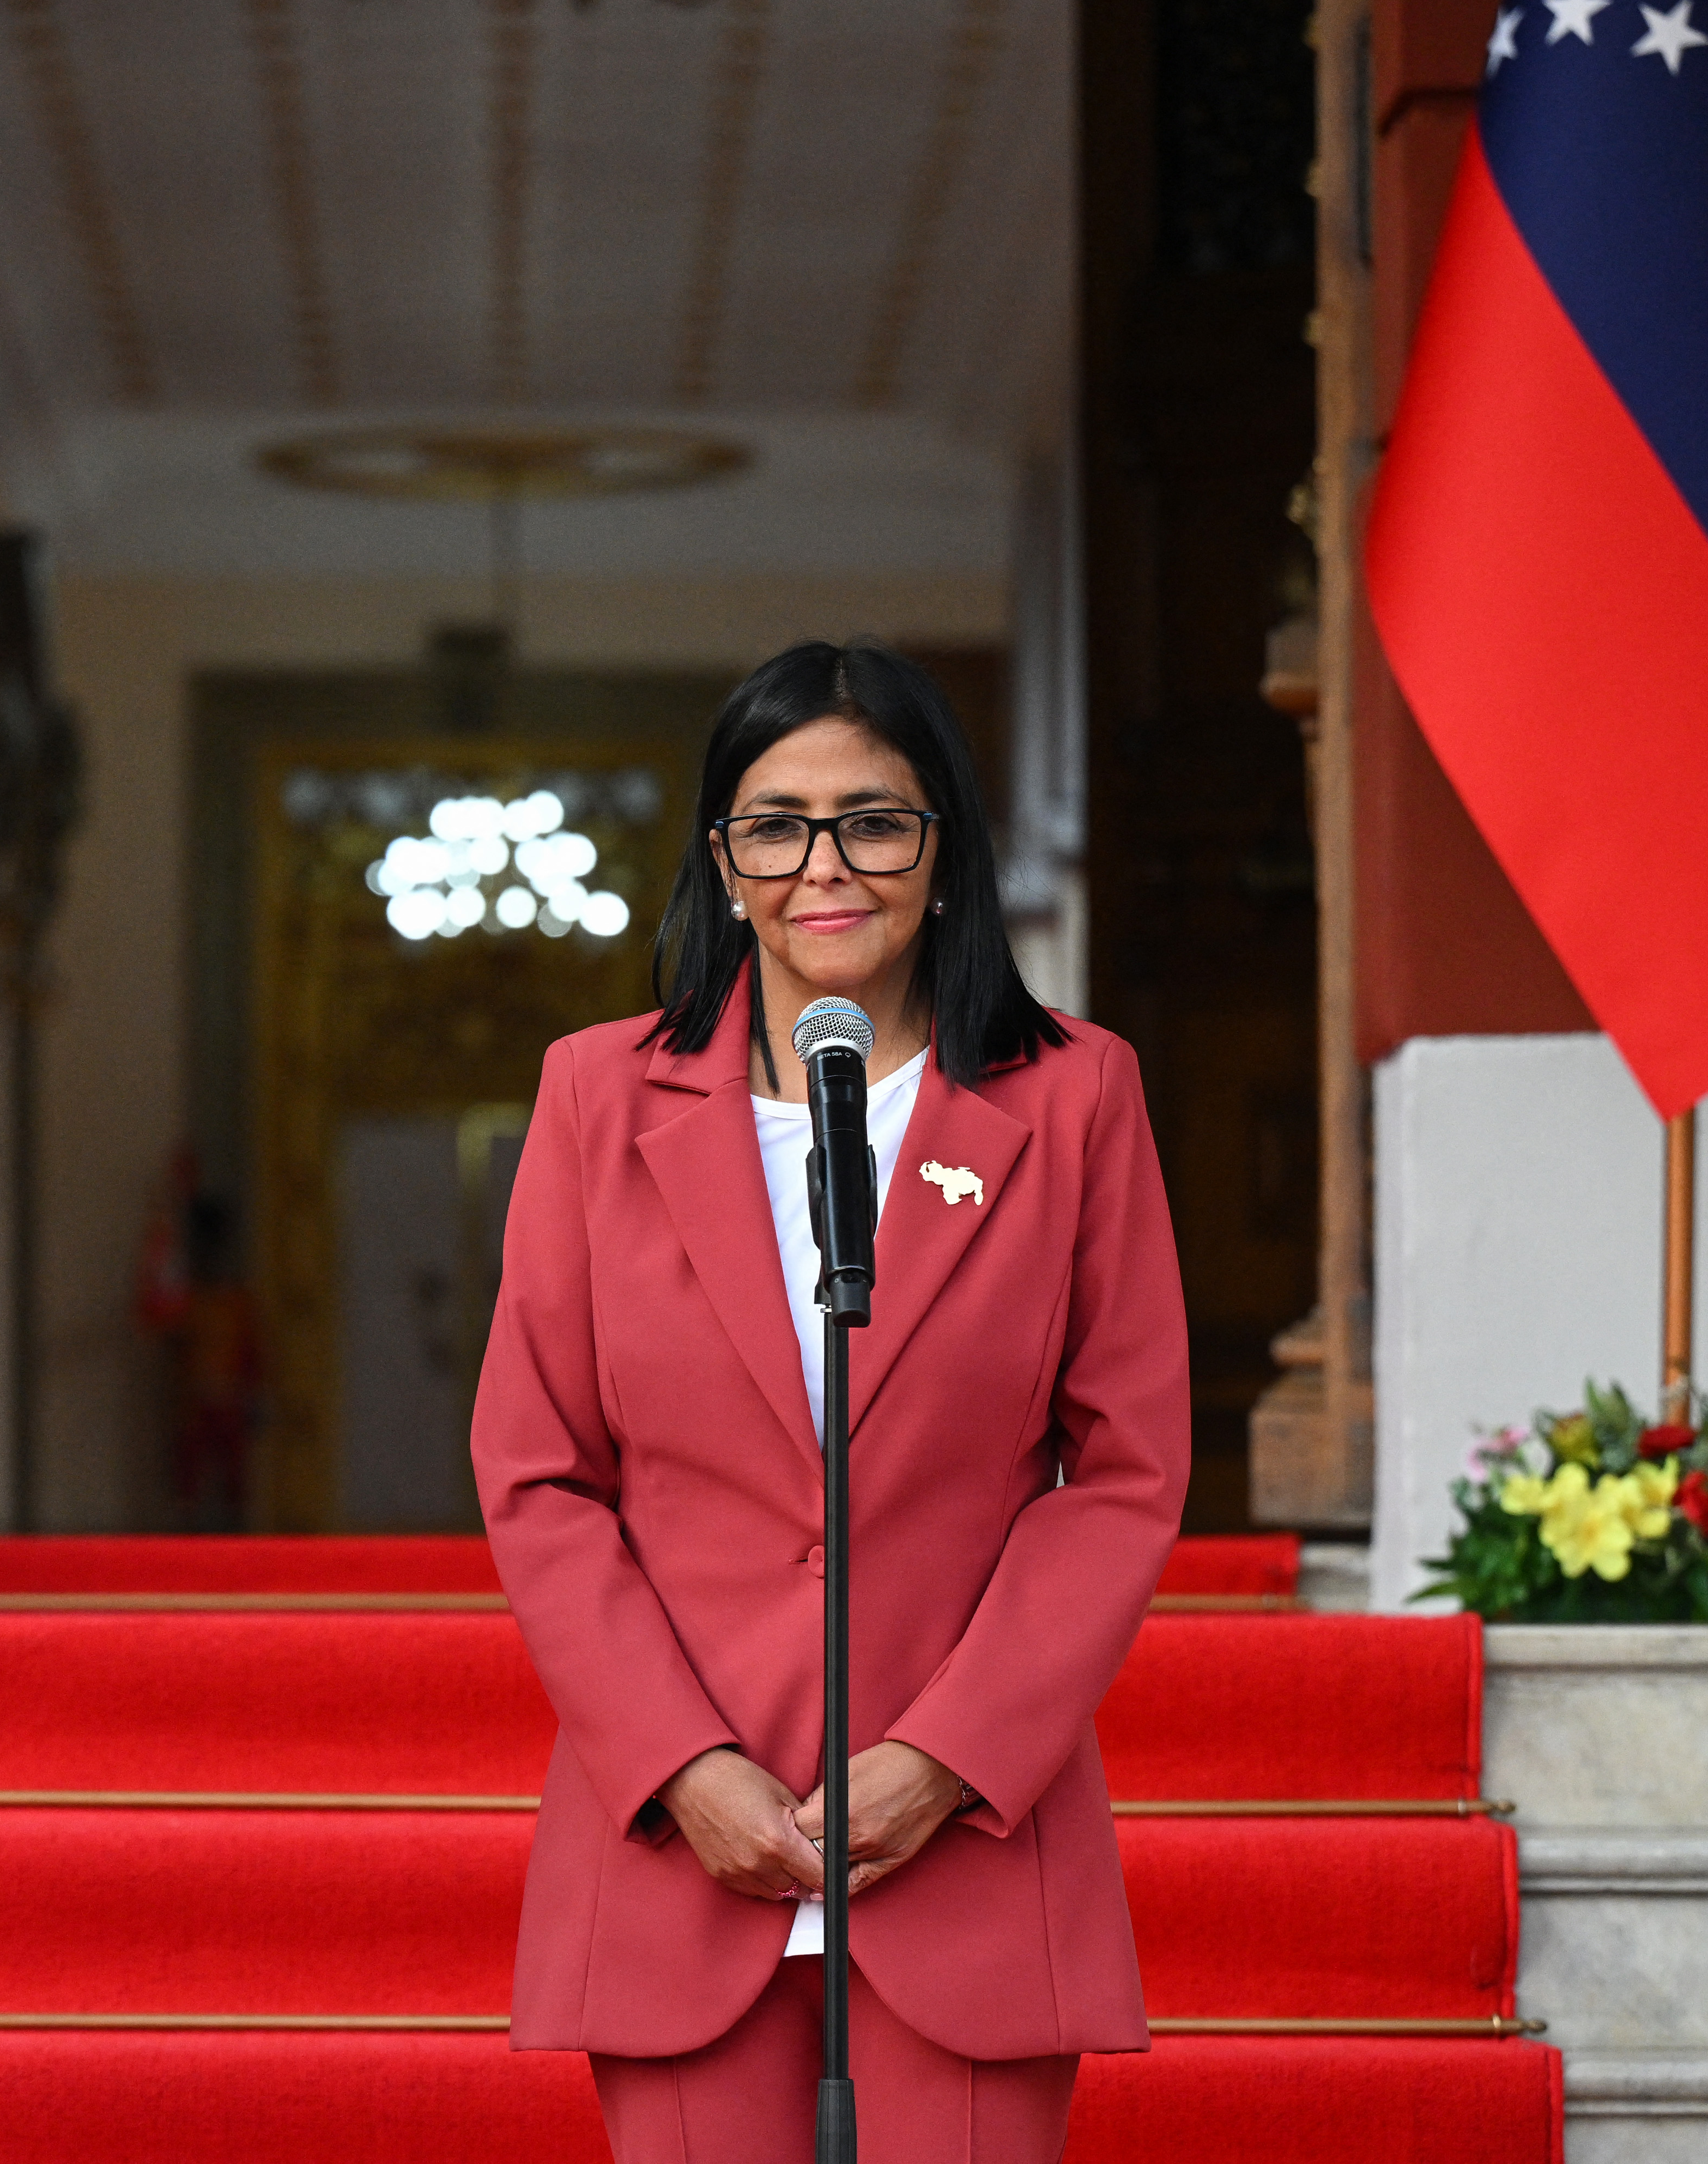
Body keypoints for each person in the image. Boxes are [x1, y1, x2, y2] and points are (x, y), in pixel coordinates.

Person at [471, 641, 1189, 2162]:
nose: (824, 866)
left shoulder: (1069, 1100)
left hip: (969, 1848)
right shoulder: (599, 1098)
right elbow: (537, 1473)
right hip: (685, 1851)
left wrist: (952, 1756)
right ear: (723, 862)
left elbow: (1124, 1468)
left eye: (873, 819)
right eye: (775, 824)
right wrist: (679, 1767)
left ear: (942, 852)